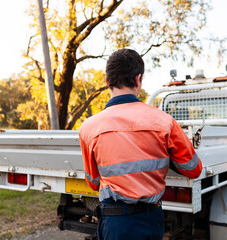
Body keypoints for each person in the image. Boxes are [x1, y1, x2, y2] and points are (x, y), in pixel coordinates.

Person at [79, 48, 202, 240]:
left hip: (115, 224)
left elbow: (93, 182)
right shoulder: (165, 122)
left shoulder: (89, 128)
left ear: (107, 82)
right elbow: (194, 169)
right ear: (138, 79)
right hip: (150, 220)